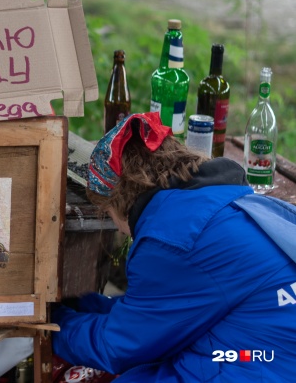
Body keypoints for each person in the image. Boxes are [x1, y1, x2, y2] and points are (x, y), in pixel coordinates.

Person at [51, 112, 296, 382]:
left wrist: (51, 327)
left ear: (119, 200)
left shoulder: (173, 237)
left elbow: (120, 345)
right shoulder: (233, 201)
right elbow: (169, 305)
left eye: (107, 212)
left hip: (261, 363)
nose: (119, 228)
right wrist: (86, 305)